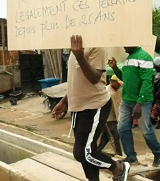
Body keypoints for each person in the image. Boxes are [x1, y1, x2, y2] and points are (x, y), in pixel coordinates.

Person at [52, 35, 130, 181]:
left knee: (82, 153)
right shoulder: (77, 46)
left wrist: (80, 56)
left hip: (94, 105)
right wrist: (64, 101)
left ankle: (118, 167)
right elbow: (76, 81)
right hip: (78, 107)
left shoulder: (97, 46)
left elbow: (95, 78)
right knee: (88, 151)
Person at [108, 47, 160, 167]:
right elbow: (126, 79)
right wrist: (115, 68)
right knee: (122, 128)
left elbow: (147, 82)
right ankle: (131, 156)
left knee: (146, 130)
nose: (123, 46)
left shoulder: (145, 57)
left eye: (126, 44)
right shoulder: (128, 58)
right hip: (127, 99)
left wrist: (139, 104)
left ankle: (158, 153)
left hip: (141, 101)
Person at [98, 75, 123, 156]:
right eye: (118, 83)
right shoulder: (106, 91)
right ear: (113, 82)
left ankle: (97, 151)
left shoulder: (118, 90)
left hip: (114, 117)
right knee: (115, 136)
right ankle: (119, 154)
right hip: (108, 118)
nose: (119, 85)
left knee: (106, 137)